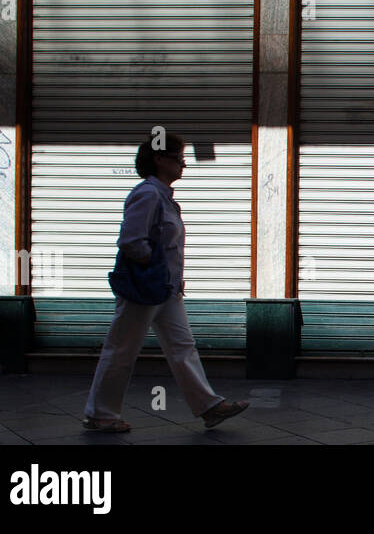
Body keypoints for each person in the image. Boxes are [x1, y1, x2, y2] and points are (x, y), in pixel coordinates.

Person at [82, 135, 249, 433]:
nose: (183, 163)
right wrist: (153, 268)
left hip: (167, 291)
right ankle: (100, 414)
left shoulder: (164, 197)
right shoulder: (147, 194)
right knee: (121, 350)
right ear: (159, 160)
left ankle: (209, 406)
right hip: (145, 290)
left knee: (183, 348)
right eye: (177, 157)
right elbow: (132, 241)